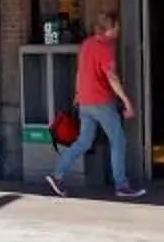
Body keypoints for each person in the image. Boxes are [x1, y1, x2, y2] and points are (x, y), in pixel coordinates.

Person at [45, 12, 143, 198]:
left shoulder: (86, 44)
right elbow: (112, 78)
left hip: (85, 102)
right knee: (118, 140)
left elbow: (80, 72)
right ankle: (121, 185)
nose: (119, 30)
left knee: (83, 142)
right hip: (101, 102)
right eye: (117, 26)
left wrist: (77, 94)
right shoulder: (105, 49)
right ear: (110, 28)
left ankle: (56, 175)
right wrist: (127, 102)